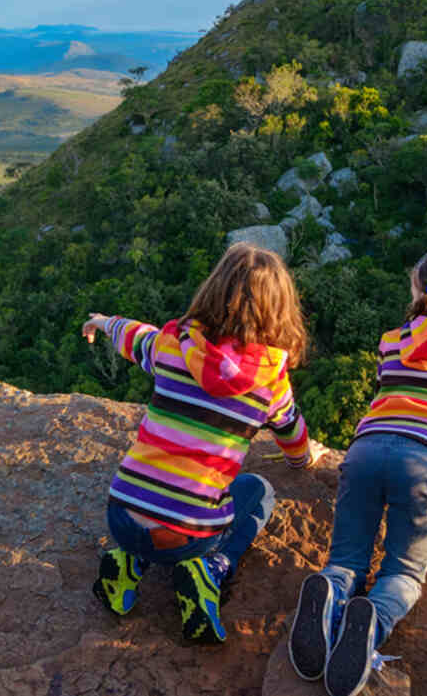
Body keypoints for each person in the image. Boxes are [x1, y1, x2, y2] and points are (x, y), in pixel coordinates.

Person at [288, 242, 427, 696]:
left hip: (366, 450)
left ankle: (333, 590)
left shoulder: (393, 342)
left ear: (419, 288)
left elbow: (385, 396)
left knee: (346, 559)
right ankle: (373, 617)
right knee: (404, 574)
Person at [83, 241, 325, 642]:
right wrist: (305, 461)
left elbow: (134, 336)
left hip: (121, 516)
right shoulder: (270, 379)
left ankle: (130, 562)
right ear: (280, 310)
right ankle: (211, 569)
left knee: (153, 509)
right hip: (188, 536)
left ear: (212, 290)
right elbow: (292, 432)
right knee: (257, 492)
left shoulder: (173, 343)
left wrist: (105, 322)